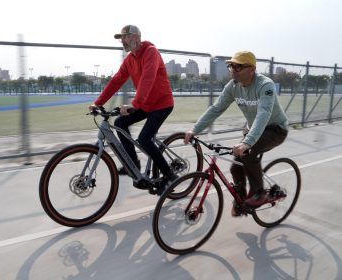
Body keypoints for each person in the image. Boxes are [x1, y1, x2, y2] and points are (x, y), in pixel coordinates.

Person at [184, 51, 289, 216]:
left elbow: (264, 113)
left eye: (238, 66)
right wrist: (194, 129)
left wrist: (248, 142)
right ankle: (241, 201)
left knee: (247, 153)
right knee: (235, 167)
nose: (233, 69)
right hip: (254, 129)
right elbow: (216, 108)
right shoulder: (233, 86)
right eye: (231, 66)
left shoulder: (265, 85)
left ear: (252, 69)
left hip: (275, 129)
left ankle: (259, 193)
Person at [89, 25, 176, 193]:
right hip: (146, 104)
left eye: (125, 37)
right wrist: (98, 102)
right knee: (120, 122)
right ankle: (133, 163)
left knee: (144, 139)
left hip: (162, 104)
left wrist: (135, 104)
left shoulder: (151, 52)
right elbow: (116, 81)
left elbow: (148, 79)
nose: (123, 41)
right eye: (121, 38)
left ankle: (170, 176)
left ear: (137, 37)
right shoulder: (130, 60)